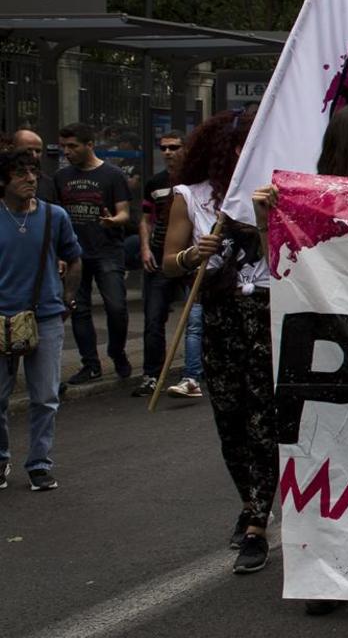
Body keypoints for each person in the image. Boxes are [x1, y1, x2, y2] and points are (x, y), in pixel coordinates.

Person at [161, 111, 283, 573]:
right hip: (220, 317)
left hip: (266, 316)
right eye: (237, 147)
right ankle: (251, 501)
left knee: (262, 419)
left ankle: (256, 521)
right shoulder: (188, 198)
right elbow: (171, 262)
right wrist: (195, 254)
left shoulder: (272, 195)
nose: (244, 154)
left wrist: (267, 220)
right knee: (229, 420)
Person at [0, 151, 83, 492]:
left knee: (45, 396)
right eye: (20, 174)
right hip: (1, 317)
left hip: (45, 315)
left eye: (33, 172)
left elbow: (74, 258)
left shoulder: (54, 215)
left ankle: (38, 464)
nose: (30, 179)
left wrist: (66, 297)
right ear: (3, 181)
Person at [54, 124, 133, 383]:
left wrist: (114, 220)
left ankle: (117, 351)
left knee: (116, 307)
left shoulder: (112, 175)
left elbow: (125, 213)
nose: (67, 151)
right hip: (75, 253)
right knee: (79, 308)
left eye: (73, 146)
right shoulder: (62, 177)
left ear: (89, 145)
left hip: (107, 251)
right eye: (64, 146)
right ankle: (90, 364)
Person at [137, 131, 204, 399]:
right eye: (163, 147)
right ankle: (152, 374)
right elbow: (145, 219)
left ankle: (192, 374)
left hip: (192, 258)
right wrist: (144, 248)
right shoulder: (155, 183)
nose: (167, 152)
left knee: (195, 321)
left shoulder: (196, 183)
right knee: (153, 318)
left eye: (174, 147)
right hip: (161, 257)